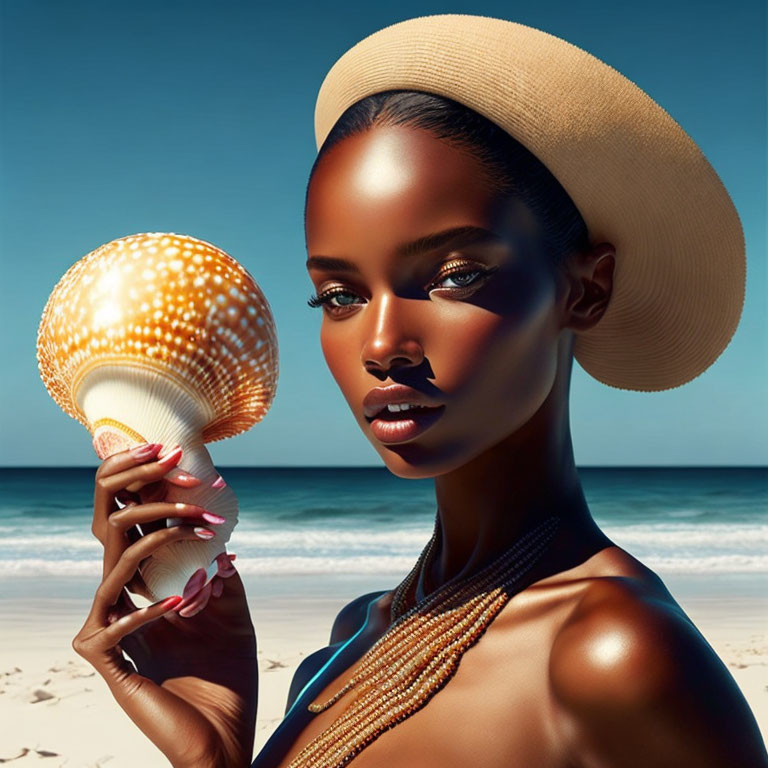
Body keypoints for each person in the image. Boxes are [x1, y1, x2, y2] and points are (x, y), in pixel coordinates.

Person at [71, 14, 767, 768]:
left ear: (585, 291)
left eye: (455, 277)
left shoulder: (615, 656)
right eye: (339, 295)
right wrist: (214, 745)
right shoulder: (350, 639)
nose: (380, 346)